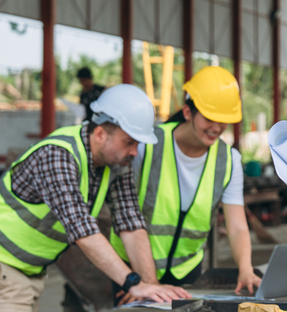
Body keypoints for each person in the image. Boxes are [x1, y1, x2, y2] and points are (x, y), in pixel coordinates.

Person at [0, 84, 191, 312]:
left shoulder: (115, 163)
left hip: (29, 264)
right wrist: (132, 283)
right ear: (100, 133)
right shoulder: (58, 156)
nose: (134, 152)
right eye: (129, 142)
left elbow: (131, 223)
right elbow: (82, 231)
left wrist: (152, 289)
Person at [112, 67, 262, 296]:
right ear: (188, 112)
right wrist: (138, 280)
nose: (217, 128)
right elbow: (124, 213)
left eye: (224, 121)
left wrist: (245, 269)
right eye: (210, 118)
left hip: (187, 273)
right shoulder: (146, 146)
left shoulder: (229, 160)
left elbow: (237, 226)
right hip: (133, 270)